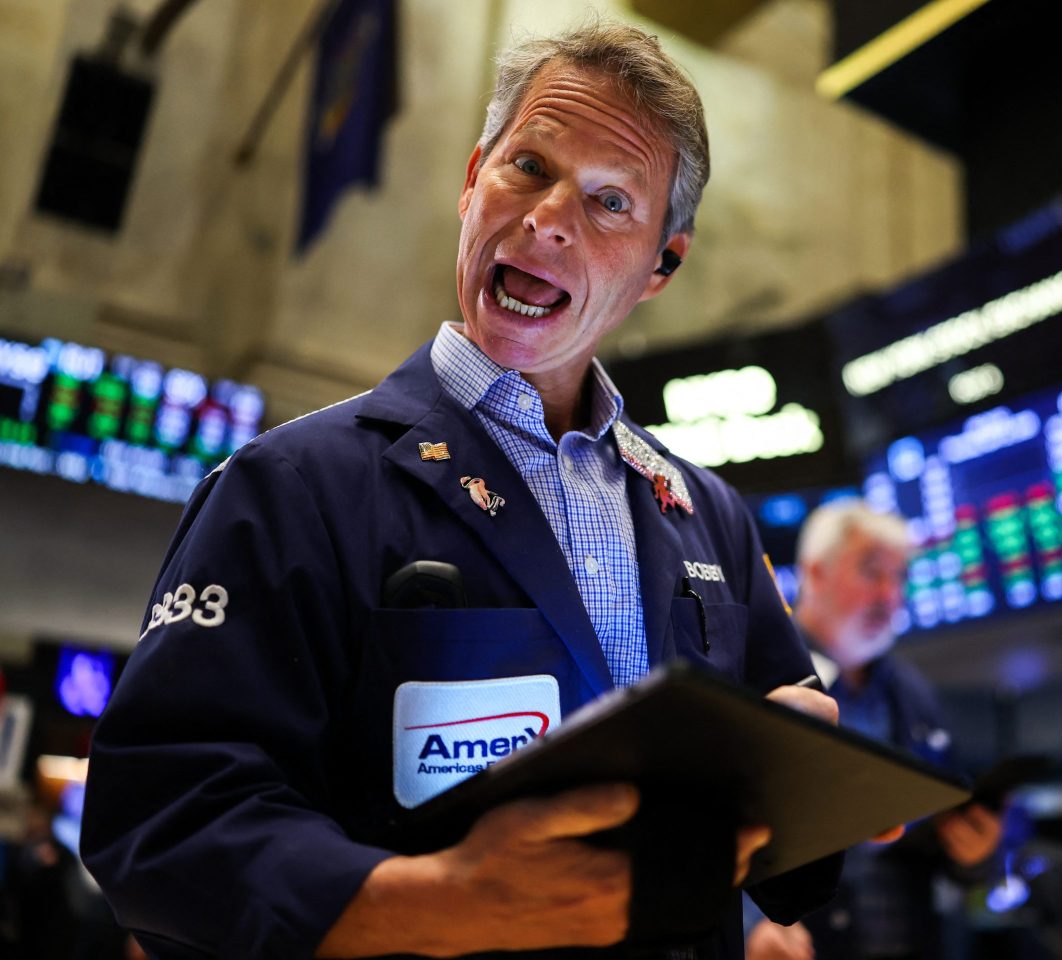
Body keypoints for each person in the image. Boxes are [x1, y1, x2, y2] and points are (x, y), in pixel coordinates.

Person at [80, 22, 840, 960]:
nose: (550, 217)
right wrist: (438, 902)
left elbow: (781, 847)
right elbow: (161, 817)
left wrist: (811, 789)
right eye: (528, 165)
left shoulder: (707, 516)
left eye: (609, 201)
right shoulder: (290, 487)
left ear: (661, 266)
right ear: (472, 178)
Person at [746, 501, 1003, 960]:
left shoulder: (912, 694)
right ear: (814, 573)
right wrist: (748, 926)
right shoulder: (758, 675)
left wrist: (973, 858)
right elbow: (718, 817)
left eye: (899, 577)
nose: (889, 595)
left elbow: (945, 841)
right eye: (870, 573)